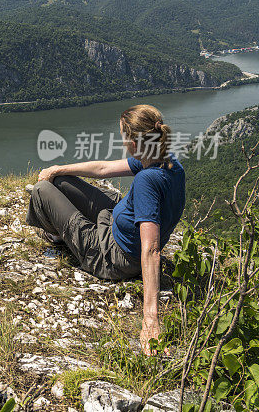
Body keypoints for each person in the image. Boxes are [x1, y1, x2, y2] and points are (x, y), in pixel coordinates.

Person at [25, 104, 185, 355]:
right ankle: (60, 230)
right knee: (59, 180)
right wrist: (58, 168)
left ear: (133, 142)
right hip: (115, 224)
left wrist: (150, 319)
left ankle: (58, 236)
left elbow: (152, 249)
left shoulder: (147, 180)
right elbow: (103, 169)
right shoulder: (167, 162)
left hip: (112, 257)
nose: (120, 140)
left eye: (122, 135)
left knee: (42, 190)